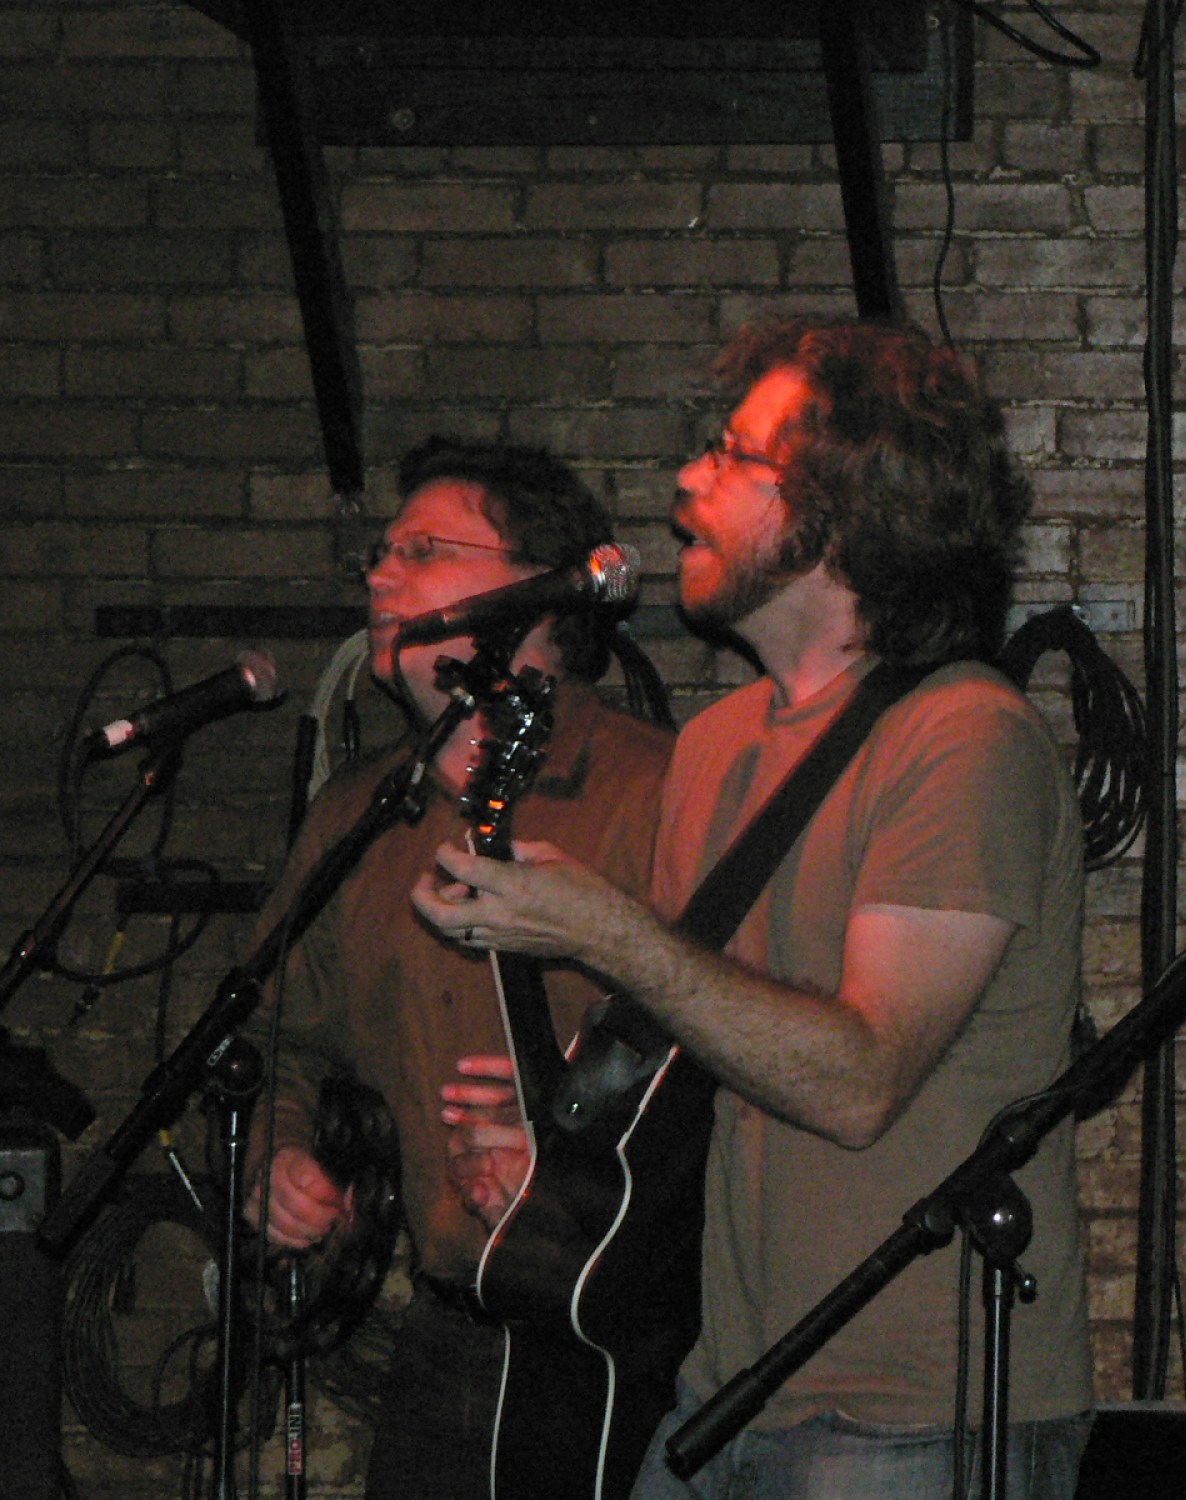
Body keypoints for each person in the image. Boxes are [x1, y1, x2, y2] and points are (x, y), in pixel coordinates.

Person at [412, 318, 1096, 1499]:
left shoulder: (964, 738)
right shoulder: (717, 744)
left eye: (732, 454)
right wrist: (563, 1156)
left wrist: (603, 928)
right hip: (720, 1389)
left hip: (910, 1414)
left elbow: (857, 1079)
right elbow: (714, 1050)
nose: (687, 479)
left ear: (845, 509)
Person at [244, 436, 675, 1498]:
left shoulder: (660, 791)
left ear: (540, 593)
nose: (381, 576)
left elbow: (732, 1058)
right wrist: (277, 1155)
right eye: (379, 554)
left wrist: (574, 1153)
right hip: (448, 1340)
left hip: (628, 1342)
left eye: (424, 551)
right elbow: (272, 1037)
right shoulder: (357, 811)